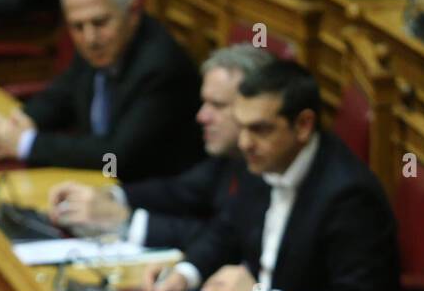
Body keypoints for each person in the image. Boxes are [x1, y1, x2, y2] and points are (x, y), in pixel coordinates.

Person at [146, 60, 402, 291]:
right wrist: (185, 273)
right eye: (243, 126)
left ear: (303, 125)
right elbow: (226, 229)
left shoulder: (349, 196)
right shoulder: (262, 160)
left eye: (260, 129)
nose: (246, 142)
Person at [44, 44, 272, 247]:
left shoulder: (271, 171)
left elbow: (229, 243)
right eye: (204, 103)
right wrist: (107, 196)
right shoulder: (227, 159)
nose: (202, 116)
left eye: (218, 106)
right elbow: (179, 191)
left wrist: (124, 221)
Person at [0, 0, 203, 182]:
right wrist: (21, 122)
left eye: (100, 23)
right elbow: (62, 94)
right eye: (77, 27)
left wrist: (24, 143)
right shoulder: (101, 46)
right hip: (96, 183)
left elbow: (115, 156)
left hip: (150, 197)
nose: (89, 38)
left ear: (132, 14)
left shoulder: (161, 67)